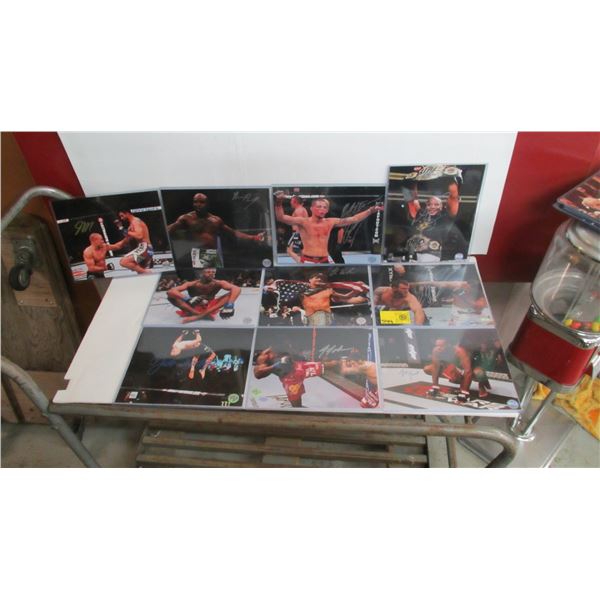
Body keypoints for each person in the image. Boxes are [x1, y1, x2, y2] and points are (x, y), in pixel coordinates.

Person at [274, 192, 383, 263]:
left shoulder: (330, 222)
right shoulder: (303, 221)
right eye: (319, 206)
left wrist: (370, 211)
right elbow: (281, 217)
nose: (322, 209)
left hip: (325, 260)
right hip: (308, 260)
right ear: (311, 208)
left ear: (327, 210)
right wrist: (279, 203)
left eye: (324, 207)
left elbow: (354, 219)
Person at [167, 192, 266, 268]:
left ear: (207, 204)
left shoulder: (215, 220)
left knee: (214, 279)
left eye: (201, 202)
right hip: (196, 253)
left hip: (212, 253)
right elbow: (168, 230)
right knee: (204, 280)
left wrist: (253, 237)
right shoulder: (186, 218)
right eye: (195, 202)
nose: (198, 204)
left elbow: (233, 232)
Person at [405, 181, 467, 261]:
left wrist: (452, 179)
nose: (432, 207)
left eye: (436, 204)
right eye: (429, 204)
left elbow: (453, 196)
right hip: (415, 254)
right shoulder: (421, 215)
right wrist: (413, 180)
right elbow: (412, 200)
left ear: (441, 206)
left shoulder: (445, 216)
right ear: (426, 206)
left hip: (433, 254)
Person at [253, 347, 325, 408]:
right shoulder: (262, 365)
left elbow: (281, 349)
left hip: (297, 367)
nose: (267, 355)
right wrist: (274, 366)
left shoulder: (272, 350)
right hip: (289, 379)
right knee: (296, 405)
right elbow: (257, 374)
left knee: (323, 366)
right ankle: (301, 412)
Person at [423, 338, 490, 403]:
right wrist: (435, 386)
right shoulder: (436, 350)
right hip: (455, 369)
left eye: (442, 346)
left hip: (470, 369)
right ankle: (455, 378)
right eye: (437, 345)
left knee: (480, 373)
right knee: (427, 369)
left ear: (448, 345)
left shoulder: (460, 351)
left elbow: (468, 371)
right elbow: (436, 367)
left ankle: (481, 386)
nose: (438, 348)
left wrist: (464, 392)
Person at [166, 267, 241, 323]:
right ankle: (199, 314)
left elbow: (237, 289)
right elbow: (170, 291)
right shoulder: (191, 284)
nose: (211, 273)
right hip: (193, 307)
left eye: (213, 272)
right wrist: (187, 299)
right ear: (201, 273)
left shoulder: (218, 283)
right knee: (171, 296)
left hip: (210, 307)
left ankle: (199, 316)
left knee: (232, 294)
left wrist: (230, 304)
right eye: (208, 272)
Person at [295, 272, 367, 326]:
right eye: (317, 277)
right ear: (310, 280)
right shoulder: (302, 290)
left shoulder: (328, 290)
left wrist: (356, 289)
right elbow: (296, 301)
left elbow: (345, 296)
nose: (320, 279)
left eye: (322, 278)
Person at [107, 210, 154, 274]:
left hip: (145, 248)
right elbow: (122, 243)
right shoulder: (131, 226)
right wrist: (107, 247)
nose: (121, 218)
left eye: (122, 216)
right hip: (146, 252)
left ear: (127, 213)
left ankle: (146, 272)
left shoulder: (136, 221)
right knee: (140, 270)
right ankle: (145, 272)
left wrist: (126, 231)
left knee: (124, 261)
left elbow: (139, 236)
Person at [285, 195, 309, 262]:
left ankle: (302, 263)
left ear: (295, 202)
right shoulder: (301, 209)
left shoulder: (299, 210)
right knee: (301, 251)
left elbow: (300, 223)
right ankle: (303, 264)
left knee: (289, 250)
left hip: (298, 233)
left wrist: (297, 235)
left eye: (291, 201)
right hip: (300, 233)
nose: (290, 203)